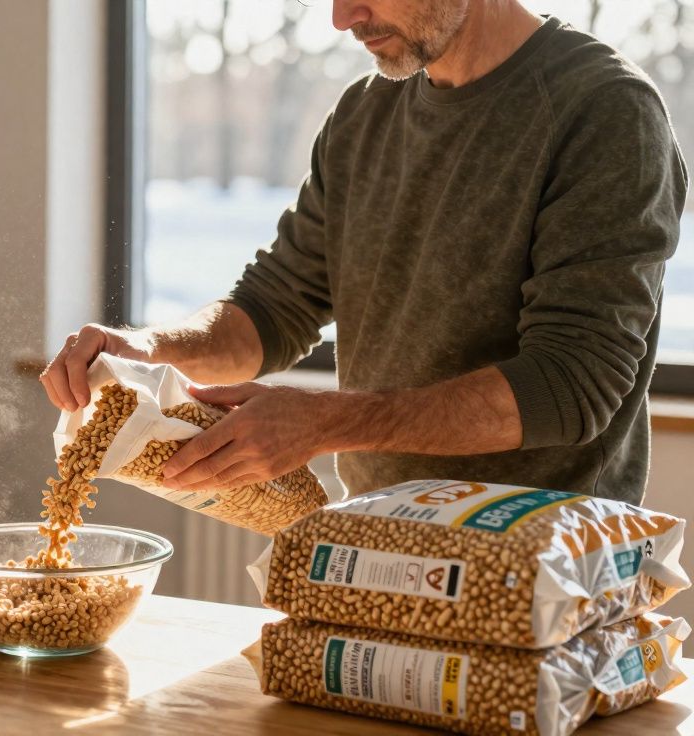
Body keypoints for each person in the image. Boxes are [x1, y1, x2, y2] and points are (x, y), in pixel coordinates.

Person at [40, 0, 687, 504]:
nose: (340, 17)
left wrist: (321, 422)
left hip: (547, 562)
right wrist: (147, 348)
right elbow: (274, 308)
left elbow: (571, 386)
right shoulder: (362, 116)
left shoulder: (604, 112)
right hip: (380, 545)